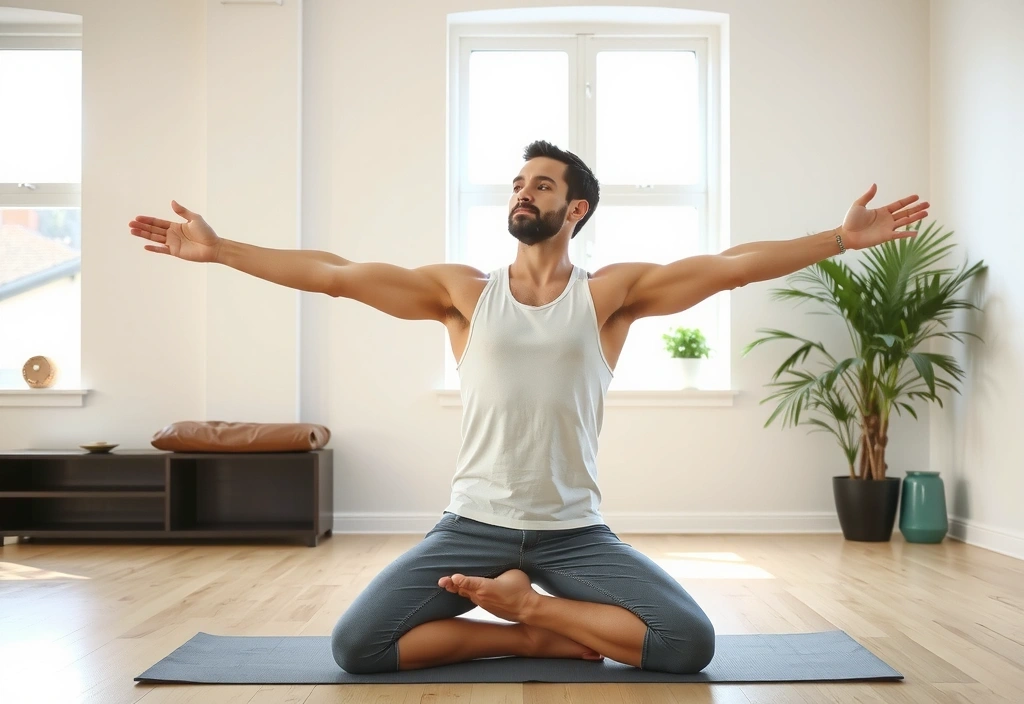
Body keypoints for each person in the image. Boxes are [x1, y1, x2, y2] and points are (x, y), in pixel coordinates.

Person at [128, 140, 928, 674]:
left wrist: (837, 237)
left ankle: (534, 604)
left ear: (574, 208)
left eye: (541, 184)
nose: (523, 192)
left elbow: (727, 268)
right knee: (355, 644)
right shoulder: (461, 295)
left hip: (575, 531)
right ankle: (531, 628)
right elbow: (336, 273)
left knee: (689, 641)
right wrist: (221, 250)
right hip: (471, 524)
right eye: (518, 183)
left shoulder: (610, 294)